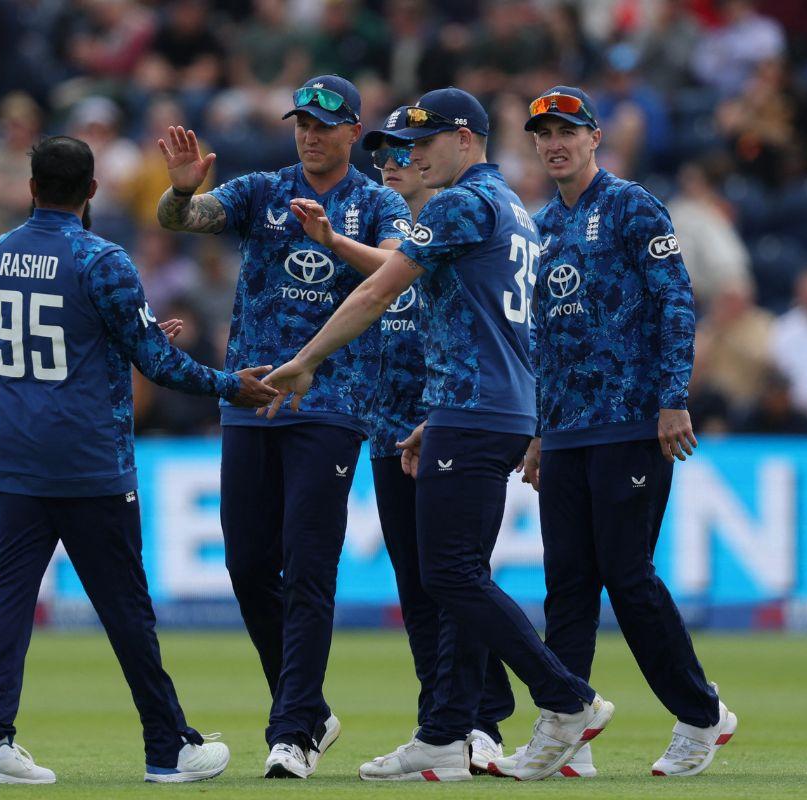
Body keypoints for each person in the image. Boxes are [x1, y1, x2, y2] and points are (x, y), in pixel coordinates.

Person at [262, 87, 613, 783]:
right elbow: (496, 323)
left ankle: (567, 699)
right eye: (408, 144)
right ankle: (445, 736)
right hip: (484, 408)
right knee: (448, 575)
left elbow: (378, 291)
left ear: (466, 140)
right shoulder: (512, 207)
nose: (414, 155)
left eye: (426, 142)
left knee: (450, 574)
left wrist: (305, 361)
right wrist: (443, 412)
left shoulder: (460, 204)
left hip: (476, 410)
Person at [0, 135, 277, 785]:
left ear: (31, 189)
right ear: (92, 191)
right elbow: (154, 363)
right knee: (126, 606)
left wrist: (127, 337)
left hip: (17, 448)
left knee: (10, 596)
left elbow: (61, 336)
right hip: (86, 455)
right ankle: (167, 746)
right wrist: (230, 385)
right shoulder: (101, 259)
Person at [156, 74, 411, 778]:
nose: (310, 134)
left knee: (308, 567)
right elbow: (182, 219)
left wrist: (332, 239)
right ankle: (312, 710)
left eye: (324, 124)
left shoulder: (377, 202)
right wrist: (178, 190)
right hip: (250, 398)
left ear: (353, 131)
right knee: (246, 566)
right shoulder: (263, 190)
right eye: (302, 122)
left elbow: (400, 268)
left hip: (331, 405)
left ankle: (293, 729)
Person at [506, 85, 737, 779]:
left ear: (594, 137)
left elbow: (675, 301)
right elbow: (541, 338)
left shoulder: (633, 206)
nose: (555, 145)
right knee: (566, 583)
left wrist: (672, 400)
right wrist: (538, 430)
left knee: (627, 576)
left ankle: (701, 714)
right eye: (544, 135)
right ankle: (567, 728)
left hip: (632, 421)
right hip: (566, 431)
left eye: (567, 132)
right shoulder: (542, 225)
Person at [289, 103, 517, 775]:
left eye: (404, 153)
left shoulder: (449, 241)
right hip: (392, 435)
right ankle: (439, 722)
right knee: (420, 591)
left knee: (456, 582)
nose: (392, 164)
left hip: (450, 425)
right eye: (383, 155)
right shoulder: (414, 244)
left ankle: (483, 723)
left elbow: (386, 284)